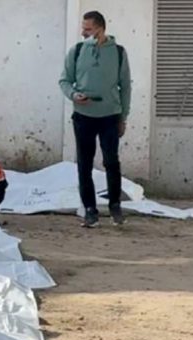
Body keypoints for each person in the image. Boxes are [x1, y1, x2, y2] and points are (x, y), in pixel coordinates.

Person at [59, 11, 132, 228]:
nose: (83, 32)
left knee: (111, 162)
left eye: (88, 29)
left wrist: (123, 117)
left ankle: (115, 205)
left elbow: (126, 87)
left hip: (110, 116)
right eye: (83, 28)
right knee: (84, 164)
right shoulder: (77, 51)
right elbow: (64, 80)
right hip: (83, 117)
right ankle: (90, 210)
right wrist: (74, 95)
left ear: (100, 29)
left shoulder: (118, 52)